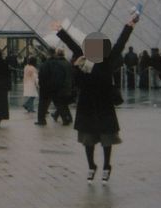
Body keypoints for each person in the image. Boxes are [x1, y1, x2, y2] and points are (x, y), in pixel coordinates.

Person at [53, 14, 138, 184]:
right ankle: (92, 166)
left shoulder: (107, 61)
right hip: (87, 105)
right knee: (88, 141)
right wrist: (60, 31)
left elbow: (120, 44)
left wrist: (129, 26)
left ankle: (106, 166)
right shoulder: (82, 58)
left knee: (107, 140)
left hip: (103, 104)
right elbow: (72, 44)